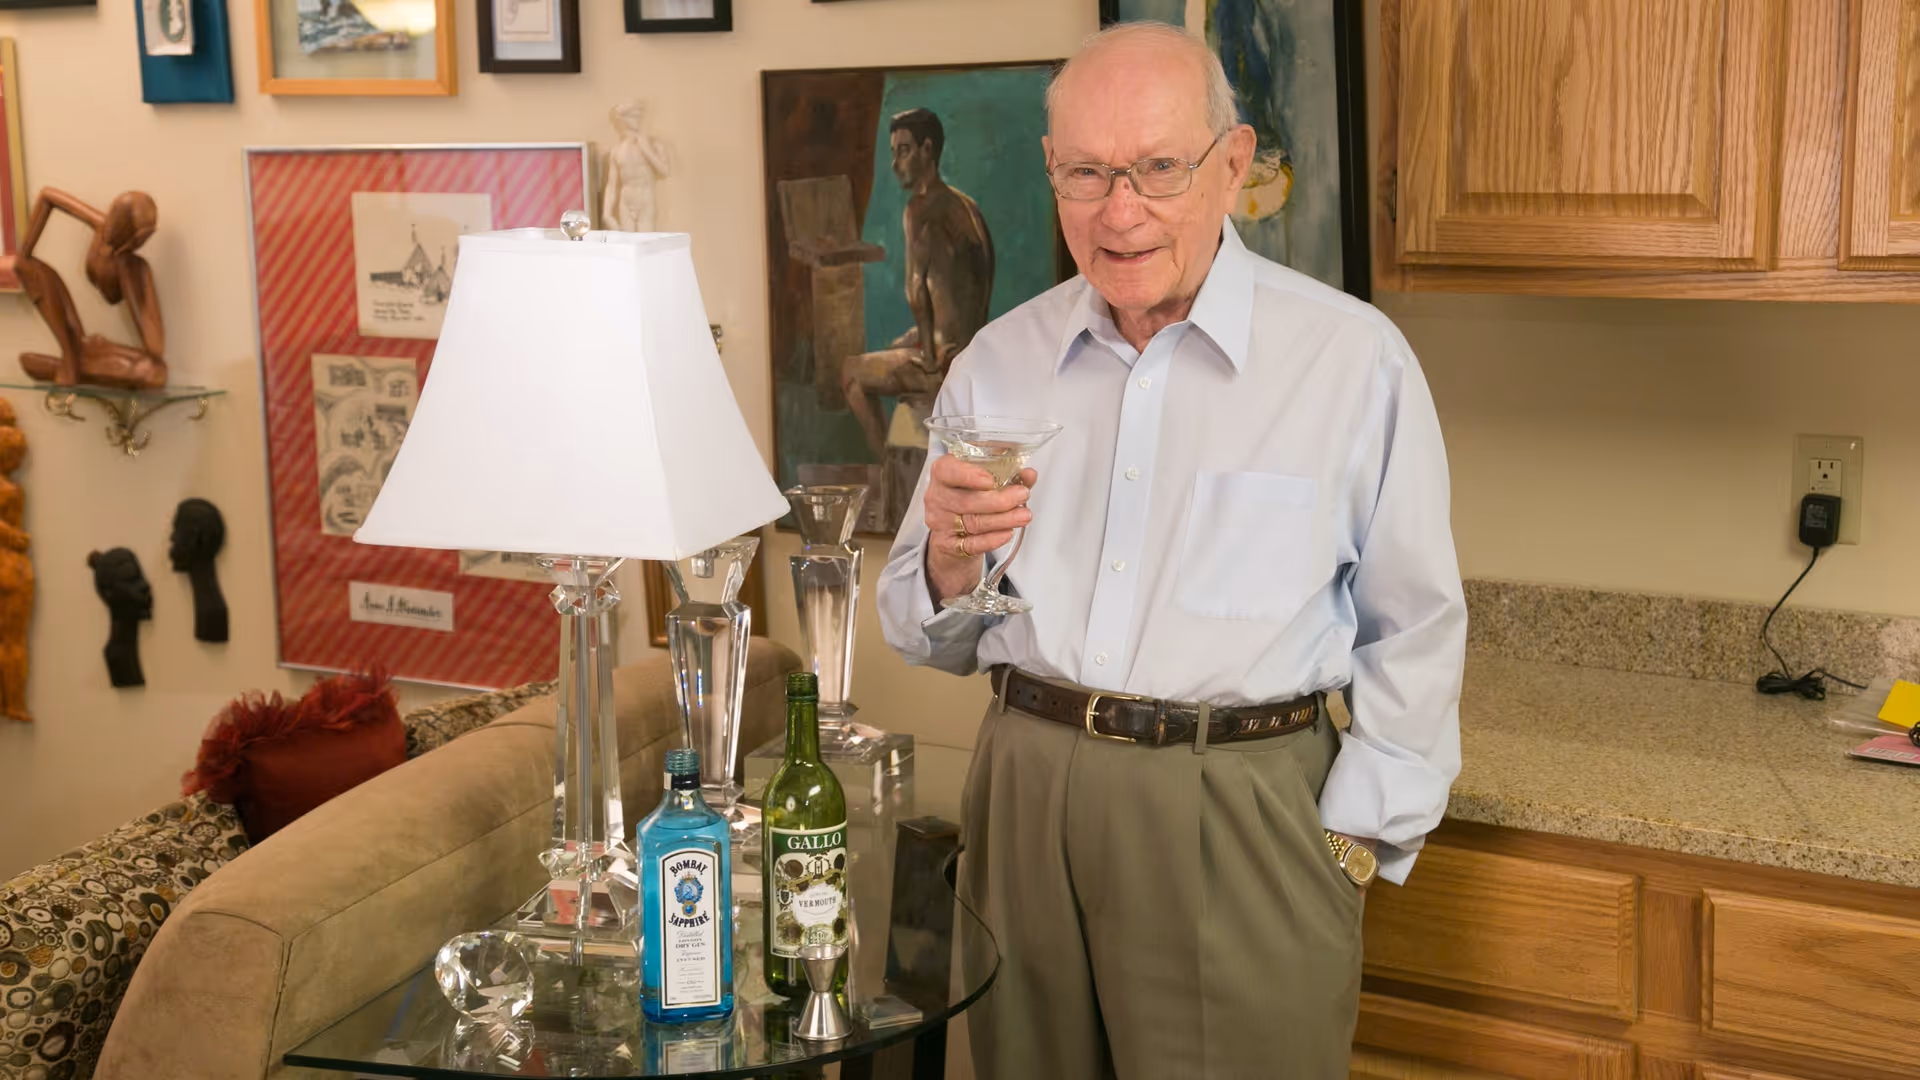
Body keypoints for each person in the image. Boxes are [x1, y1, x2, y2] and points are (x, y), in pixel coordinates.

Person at [877, 22, 1466, 1080]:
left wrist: (1355, 847)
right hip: (1023, 797)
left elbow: (1414, 625)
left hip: (1242, 813)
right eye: (1088, 173)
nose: (1120, 211)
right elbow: (922, 624)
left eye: (1157, 168)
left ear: (1232, 166)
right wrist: (951, 569)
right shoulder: (998, 363)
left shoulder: (1350, 360)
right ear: (1053, 171)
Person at [840, 107, 994, 458]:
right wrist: (920, 337)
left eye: (904, 151)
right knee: (898, 342)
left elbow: (916, 290)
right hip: (970, 351)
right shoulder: (966, 206)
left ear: (927, 150)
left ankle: (884, 474)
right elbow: (963, 294)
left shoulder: (919, 210)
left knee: (850, 372)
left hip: (943, 363)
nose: (895, 163)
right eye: (893, 153)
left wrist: (926, 354)